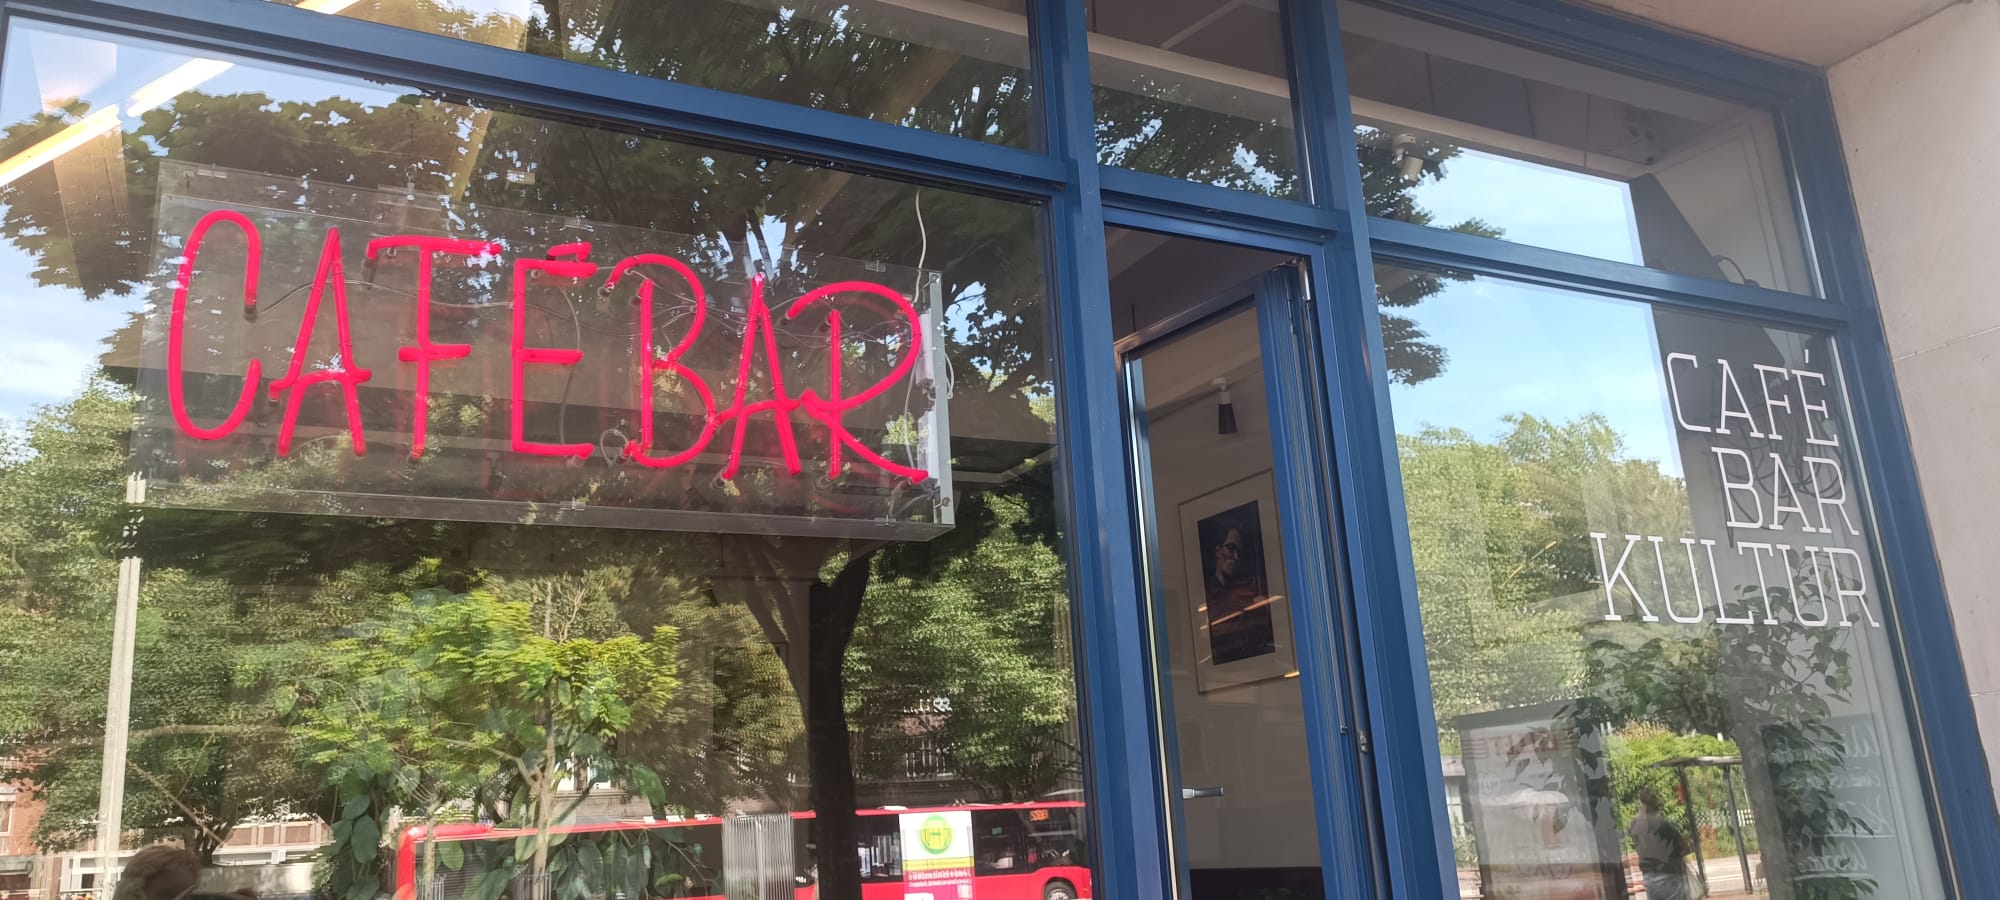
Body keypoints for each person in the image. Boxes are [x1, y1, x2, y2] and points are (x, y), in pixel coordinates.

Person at [1629, 789, 1694, 900]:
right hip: (1671, 874)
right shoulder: (1663, 824)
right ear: (1653, 804)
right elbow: (1685, 847)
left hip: (1649, 877)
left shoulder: (1634, 824)